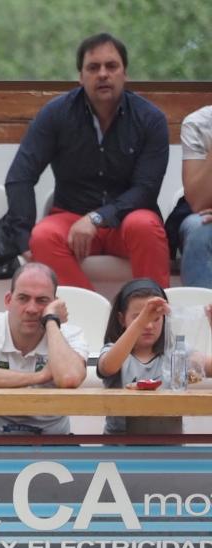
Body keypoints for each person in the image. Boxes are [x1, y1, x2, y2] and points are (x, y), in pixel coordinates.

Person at [4, 33, 169, 290]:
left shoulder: (150, 119)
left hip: (126, 221)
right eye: (93, 67)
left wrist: (97, 218)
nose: (103, 74)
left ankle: (152, 310)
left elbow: (145, 190)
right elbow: (20, 176)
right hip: (71, 218)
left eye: (111, 66)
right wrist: (22, 237)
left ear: (125, 73)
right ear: (81, 76)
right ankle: (92, 312)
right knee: (42, 236)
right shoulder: (55, 114)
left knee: (145, 225)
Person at [0, 262, 89, 435]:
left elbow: (69, 377)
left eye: (42, 300)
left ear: (55, 304)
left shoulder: (70, 334)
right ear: (8, 300)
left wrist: (51, 321)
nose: (31, 309)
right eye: (23, 298)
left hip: (52, 443)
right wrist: (39, 377)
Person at [98, 279, 212, 435]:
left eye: (156, 318)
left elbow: (205, 367)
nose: (149, 325)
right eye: (139, 317)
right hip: (120, 444)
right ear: (121, 319)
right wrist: (140, 322)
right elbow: (109, 366)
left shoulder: (177, 352)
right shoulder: (113, 350)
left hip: (170, 445)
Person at [178, 105, 212, 288]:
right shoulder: (199, 123)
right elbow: (198, 202)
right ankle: (201, 305)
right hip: (207, 213)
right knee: (199, 228)